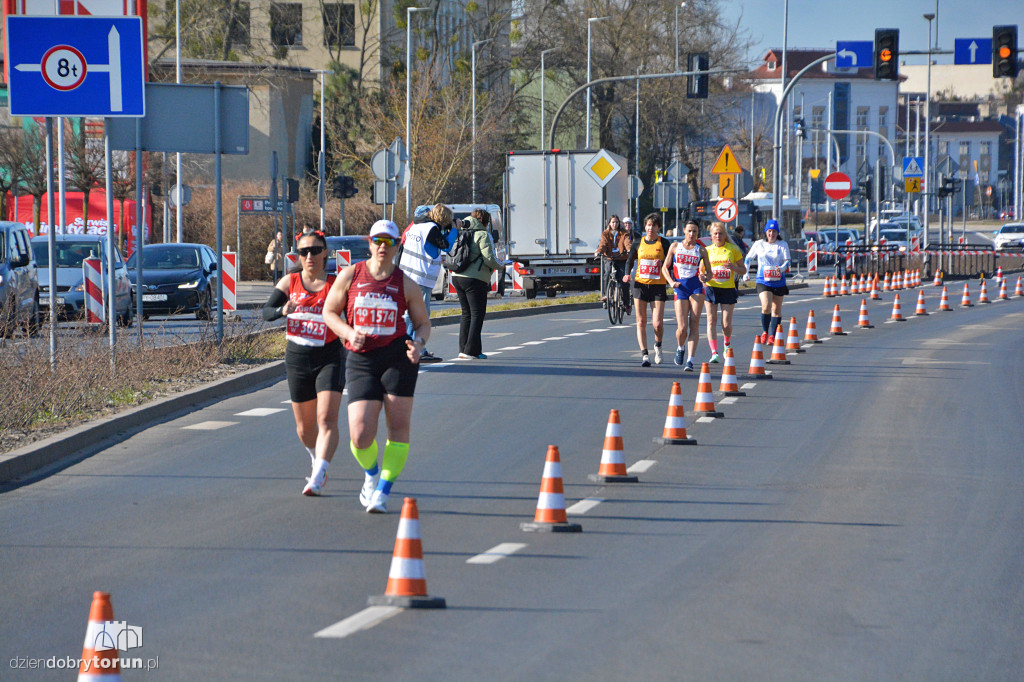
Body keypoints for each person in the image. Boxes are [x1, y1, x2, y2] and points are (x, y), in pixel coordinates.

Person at [323, 219, 431, 513]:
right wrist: (347, 333)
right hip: (361, 358)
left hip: (397, 357)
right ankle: (371, 475)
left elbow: (422, 324)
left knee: (398, 427)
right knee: (360, 433)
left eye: (389, 242)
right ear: (369, 243)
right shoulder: (350, 275)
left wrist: (418, 344)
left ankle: (383, 491)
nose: (383, 247)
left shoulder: (405, 283)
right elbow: (329, 312)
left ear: (397, 247)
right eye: (377, 241)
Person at [261, 229, 345, 496]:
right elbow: (265, 312)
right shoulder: (290, 281)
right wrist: (281, 310)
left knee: (326, 418)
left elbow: (352, 313)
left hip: (329, 355)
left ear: (325, 252)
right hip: (297, 357)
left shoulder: (336, 282)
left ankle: (319, 474)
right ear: (297, 256)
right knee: (305, 428)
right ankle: (315, 457)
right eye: (303, 252)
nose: (309, 256)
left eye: (315, 250)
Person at [398, 204, 456, 363]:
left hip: (406, 275)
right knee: (421, 316)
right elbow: (446, 246)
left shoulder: (414, 226)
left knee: (410, 315)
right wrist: (455, 230)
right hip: (421, 278)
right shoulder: (430, 228)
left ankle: (409, 348)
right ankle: (416, 350)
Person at [661, 220, 713, 372]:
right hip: (680, 287)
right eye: (689, 231)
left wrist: (705, 278)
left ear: (698, 233)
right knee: (682, 327)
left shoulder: (701, 250)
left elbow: (709, 273)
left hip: (696, 287)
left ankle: (690, 359)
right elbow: (665, 267)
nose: (692, 234)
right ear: (684, 230)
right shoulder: (675, 246)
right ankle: (680, 347)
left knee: (694, 322)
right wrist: (671, 282)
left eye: (695, 232)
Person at [451, 208, 502, 360]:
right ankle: (470, 351)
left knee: (466, 314)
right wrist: (501, 265)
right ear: (485, 222)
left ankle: (466, 350)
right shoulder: (482, 234)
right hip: (475, 278)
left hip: (457, 276)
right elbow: (489, 259)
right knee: (477, 314)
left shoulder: (462, 232)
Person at [623, 213, 671, 367]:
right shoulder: (638, 242)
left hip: (658, 285)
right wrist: (626, 274)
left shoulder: (664, 243)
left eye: (654, 225)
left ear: (658, 227)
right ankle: (644, 354)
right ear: (645, 226)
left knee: (657, 324)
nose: (650, 228)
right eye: (648, 225)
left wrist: (662, 262)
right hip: (640, 285)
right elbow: (630, 260)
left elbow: (671, 262)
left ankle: (658, 346)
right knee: (641, 321)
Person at [702, 222, 746, 363]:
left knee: (726, 323)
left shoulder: (733, 249)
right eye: (715, 234)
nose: (718, 236)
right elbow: (701, 272)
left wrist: (733, 267)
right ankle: (714, 352)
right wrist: (702, 278)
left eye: (721, 233)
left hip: (727, 288)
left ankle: (727, 344)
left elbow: (743, 270)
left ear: (725, 235)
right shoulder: (707, 250)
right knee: (711, 320)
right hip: (711, 288)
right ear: (711, 236)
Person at [744, 218, 791, 345]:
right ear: (765, 232)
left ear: (777, 233)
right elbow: (748, 259)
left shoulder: (782, 245)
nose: (771, 234)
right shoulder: (759, 244)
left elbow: (787, 261)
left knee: (776, 309)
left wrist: (781, 268)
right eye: (769, 231)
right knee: (766, 306)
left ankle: (773, 335)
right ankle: (765, 332)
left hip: (778, 281)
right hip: (763, 280)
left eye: (774, 231)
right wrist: (746, 273)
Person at [595, 214, 633, 315]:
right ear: (609, 223)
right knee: (607, 274)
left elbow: (627, 242)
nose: (614, 224)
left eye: (616, 222)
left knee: (623, 280)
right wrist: (599, 251)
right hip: (609, 258)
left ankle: (626, 303)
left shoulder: (624, 233)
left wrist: (629, 250)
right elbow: (603, 244)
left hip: (621, 258)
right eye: (612, 222)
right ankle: (606, 295)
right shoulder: (605, 233)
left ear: (619, 223)